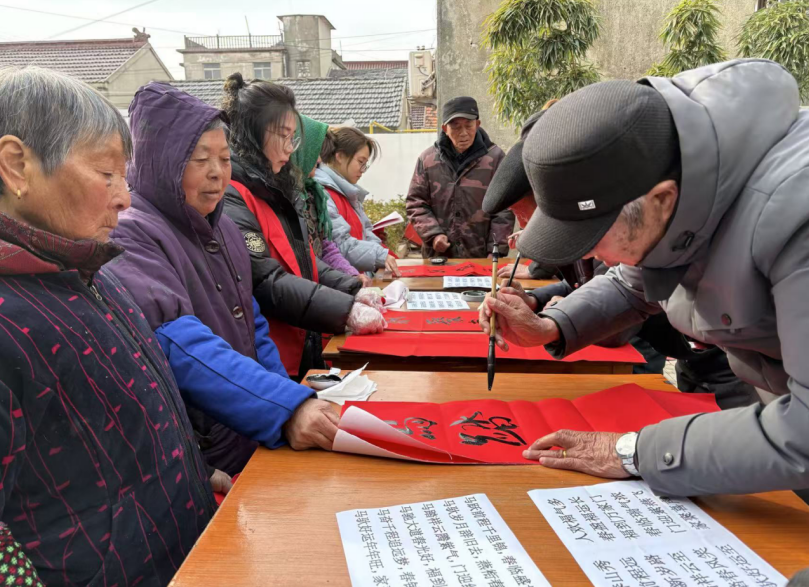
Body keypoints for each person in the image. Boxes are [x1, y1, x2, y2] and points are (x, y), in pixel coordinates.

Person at [481, 59, 809, 496]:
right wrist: (549, 327)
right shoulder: (685, 190)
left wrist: (636, 452)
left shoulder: (796, 216)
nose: (587, 255)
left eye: (592, 236)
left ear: (661, 200)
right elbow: (632, 282)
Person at [0, 67, 213, 586]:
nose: (125, 198)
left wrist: (190, 477)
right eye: (106, 173)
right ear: (16, 166)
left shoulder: (90, 271)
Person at [108, 82, 337, 478]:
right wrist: (284, 408)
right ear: (161, 162)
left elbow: (252, 322)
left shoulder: (223, 228)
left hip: (250, 433)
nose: (217, 173)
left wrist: (287, 395)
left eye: (225, 158)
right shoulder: (132, 233)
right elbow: (177, 342)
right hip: (202, 450)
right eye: (200, 159)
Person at [220, 74, 386, 379]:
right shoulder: (233, 195)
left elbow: (305, 261)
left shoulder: (279, 187)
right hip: (269, 357)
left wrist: (352, 288)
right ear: (253, 135)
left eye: (292, 138)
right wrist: (345, 309)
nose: (290, 148)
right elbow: (265, 280)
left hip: (303, 339)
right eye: (283, 136)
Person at [406, 95, 514, 259]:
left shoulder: (495, 158)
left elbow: (505, 208)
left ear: (477, 124)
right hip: (439, 257)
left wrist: (495, 250)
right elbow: (415, 202)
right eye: (455, 127)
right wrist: (433, 234)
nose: (463, 133)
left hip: (481, 257)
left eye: (468, 125)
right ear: (445, 128)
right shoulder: (427, 159)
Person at [292, 114, 372, 286]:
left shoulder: (312, 193)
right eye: (314, 151)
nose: (319, 159)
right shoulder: (314, 193)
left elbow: (326, 247)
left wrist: (351, 275)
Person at [314, 127, 401, 277]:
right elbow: (340, 244)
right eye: (360, 162)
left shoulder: (347, 191)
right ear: (340, 156)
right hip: (345, 281)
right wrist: (379, 254)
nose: (362, 170)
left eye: (365, 164)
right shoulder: (323, 192)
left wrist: (381, 251)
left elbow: (365, 231)